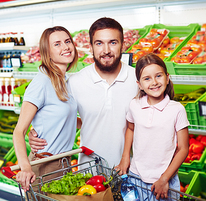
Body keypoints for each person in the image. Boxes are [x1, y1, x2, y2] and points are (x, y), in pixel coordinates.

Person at [28, 17, 138, 168]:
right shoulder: (74, 82)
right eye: (99, 43)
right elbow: (57, 113)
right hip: (89, 168)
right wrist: (36, 132)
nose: (106, 50)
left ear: (123, 46)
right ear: (91, 47)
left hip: (130, 168)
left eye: (113, 42)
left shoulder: (138, 80)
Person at [13, 26, 79, 192]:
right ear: (47, 52)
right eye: (57, 44)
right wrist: (25, 167)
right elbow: (19, 131)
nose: (65, 47)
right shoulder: (41, 83)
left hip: (63, 163)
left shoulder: (64, 81)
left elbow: (65, 120)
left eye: (67, 41)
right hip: (45, 167)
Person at [115, 53, 189, 201]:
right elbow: (130, 128)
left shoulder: (177, 109)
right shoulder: (134, 105)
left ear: (167, 78)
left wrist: (164, 179)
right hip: (136, 175)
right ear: (140, 85)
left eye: (158, 76)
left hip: (164, 179)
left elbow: (183, 149)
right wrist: (125, 157)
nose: (154, 82)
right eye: (147, 78)